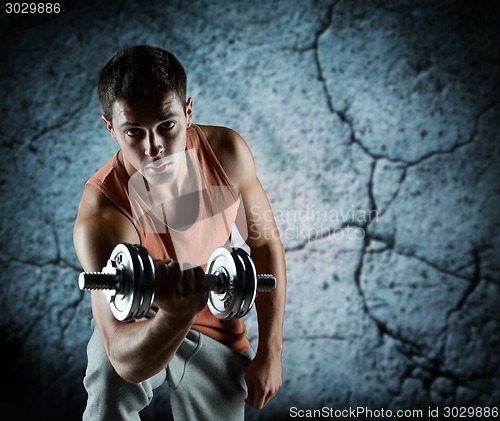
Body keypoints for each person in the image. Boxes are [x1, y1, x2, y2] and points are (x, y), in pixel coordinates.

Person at [73, 44, 287, 420]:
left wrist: (271, 351)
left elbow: (265, 242)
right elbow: (124, 358)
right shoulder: (103, 213)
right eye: (134, 132)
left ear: (188, 112)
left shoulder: (227, 154)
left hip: (216, 326)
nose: (154, 148)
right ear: (110, 129)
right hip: (141, 326)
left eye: (167, 125)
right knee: (109, 383)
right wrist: (173, 315)